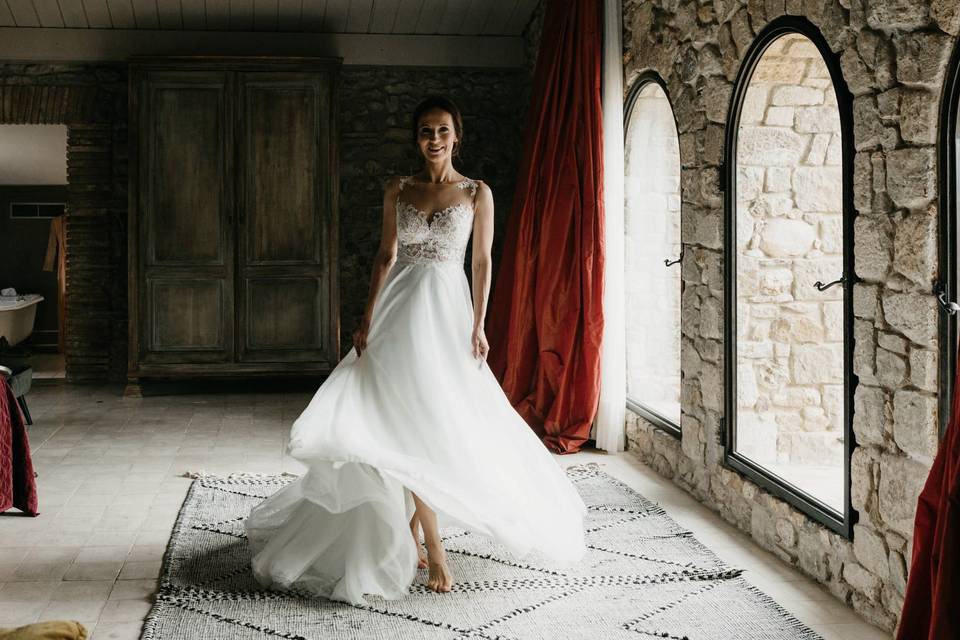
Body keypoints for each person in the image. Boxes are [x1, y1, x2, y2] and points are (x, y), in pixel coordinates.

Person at [244, 95, 587, 606]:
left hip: (445, 315)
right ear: (417, 138)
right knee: (395, 424)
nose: (434, 139)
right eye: (426, 131)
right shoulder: (398, 190)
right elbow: (385, 256)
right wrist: (365, 319)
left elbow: (484, 262)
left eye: (443, 131)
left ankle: (418, 531)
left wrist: (479, 323)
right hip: (398, 313)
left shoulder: (476, 193)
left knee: (429, 423)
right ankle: (432, 544)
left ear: (456, 136)